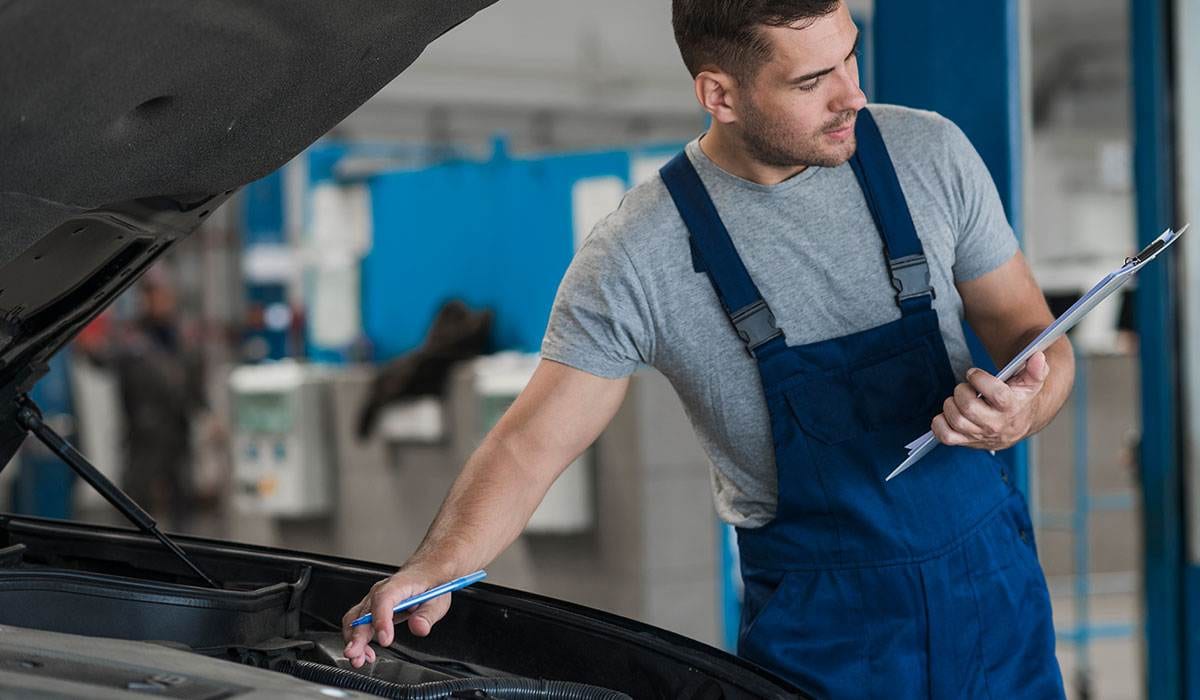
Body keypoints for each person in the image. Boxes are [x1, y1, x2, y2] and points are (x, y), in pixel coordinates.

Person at [343, 1, 1072, 695]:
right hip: (827, 639)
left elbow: (1037, 341)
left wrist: (1023, 410)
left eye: (849, 56)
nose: (852, 95)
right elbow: (528, 445)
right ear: (719, 94)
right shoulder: (639, 254)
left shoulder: (928, 154)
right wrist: (435, 564)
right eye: (812, 81)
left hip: (992, 601)